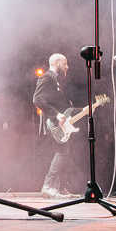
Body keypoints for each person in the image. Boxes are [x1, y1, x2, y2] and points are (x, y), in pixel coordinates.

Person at [32, 53, 78, 198]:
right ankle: (48, 186)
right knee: (62, 152)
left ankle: (59, 187)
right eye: (65, 63)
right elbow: (37, 99)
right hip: (53, 123)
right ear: (57, 63)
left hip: (60, 122)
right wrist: (57, 115)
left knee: (65, 153)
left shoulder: (56, 80)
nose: (67, 66)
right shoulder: (47, 77)